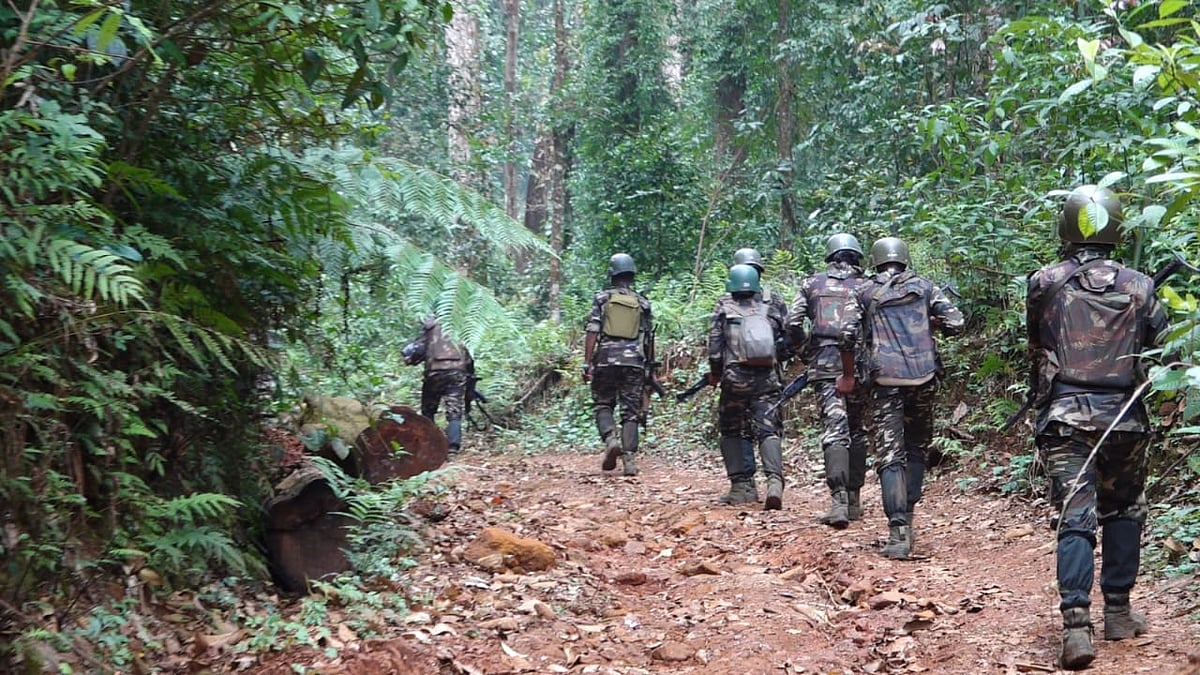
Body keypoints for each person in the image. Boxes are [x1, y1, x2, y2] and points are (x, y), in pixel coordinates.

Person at [1025, 185, 1166, 670]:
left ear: (1067, 226)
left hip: (1066, 416)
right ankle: (1120, 612)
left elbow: (1038, 340)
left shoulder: (1045, 281)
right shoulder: (1141, 286)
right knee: (1125, 510)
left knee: (1075, 517)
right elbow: (1159, 349)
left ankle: (1076, 625)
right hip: (1124, 418)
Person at [836, 236, 963, 558]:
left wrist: (849, 376)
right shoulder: (925, 287)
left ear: (876, 261)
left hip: (885, 380)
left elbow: (846, 336)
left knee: (890, 455)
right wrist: (927, 323)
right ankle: (908, 515)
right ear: (905, 259)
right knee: (917, 448)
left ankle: (898, 531)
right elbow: (957, 323)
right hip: (923, 377)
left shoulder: (862, 291)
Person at [787, 233, 870, 528]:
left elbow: (792, 322)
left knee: (835, 430)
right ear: (857, 257)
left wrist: (806, 351)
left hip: (825, 366)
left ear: (831, 256)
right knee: (858, 430)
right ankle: (855, 499)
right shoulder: (867, 285)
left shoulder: (812, 284)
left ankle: (838, 503)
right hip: (862, 367)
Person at [709, 264, 789, 510]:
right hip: (767, 379)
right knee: (769, 430)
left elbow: (714, 348)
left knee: (732, 430)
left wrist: (715, 374)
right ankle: (774, 481)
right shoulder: (771, 307)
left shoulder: (724, 307)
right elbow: (787, 340)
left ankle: (742, 487)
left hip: (735, 381)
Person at [583, 253, 657, 476]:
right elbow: (649, 338)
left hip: (606, 359)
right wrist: (650, 368)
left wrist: (587, 363)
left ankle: (611, 439)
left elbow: (593, 330)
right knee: (631, 412)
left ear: (612, 274)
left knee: (603, 403)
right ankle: (630, 460)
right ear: (631, 275)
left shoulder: (602, 299)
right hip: (634, 362)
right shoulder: (642, 303)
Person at [403, 317, 474, 456]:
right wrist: (469, 373)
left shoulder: (430, 326)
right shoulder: (462, 324)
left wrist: (410, 359)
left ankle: (430, 444)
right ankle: (453, 447)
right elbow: (469, 354)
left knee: (428, 409)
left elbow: (420, 349)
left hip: (434, 372)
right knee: (454, 410)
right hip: (457, 372)